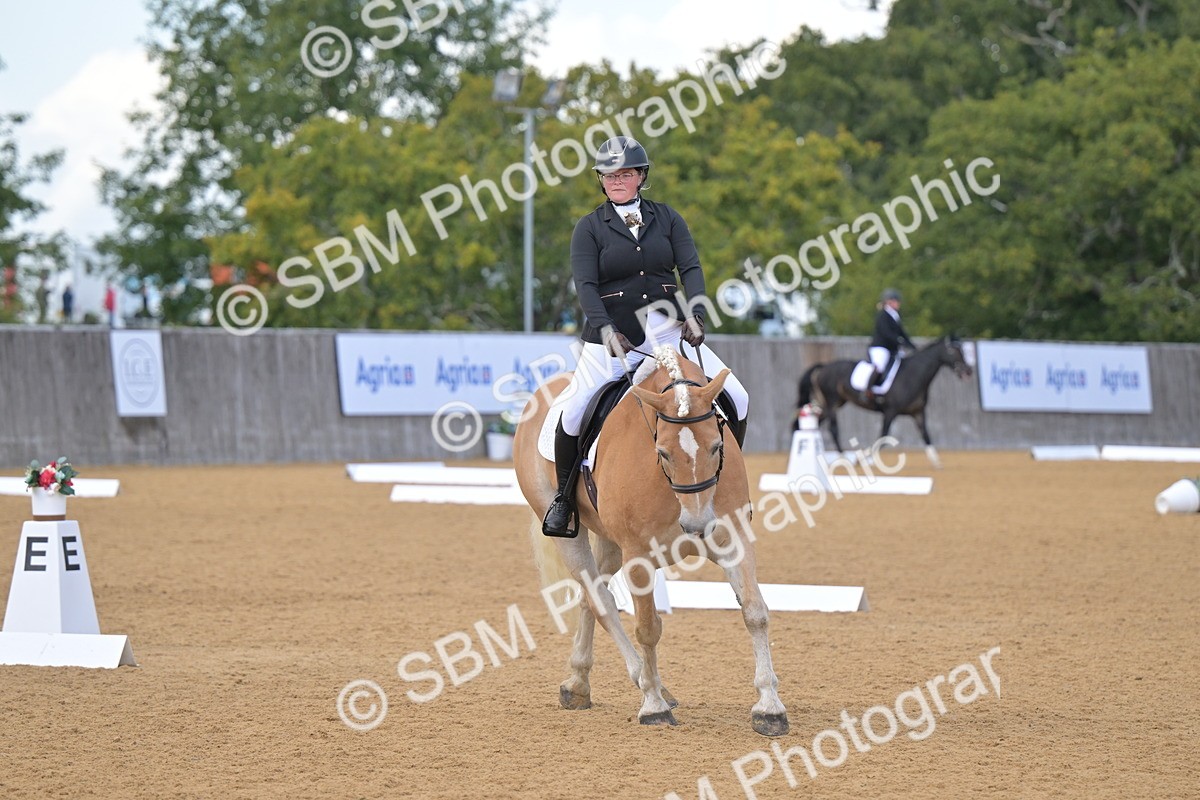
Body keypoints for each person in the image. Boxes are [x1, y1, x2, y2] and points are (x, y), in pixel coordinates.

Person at [542, 136, 750, 536]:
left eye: (625, 174)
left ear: (641, 177)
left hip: (670, 332)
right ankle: (564, 500)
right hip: (613, 334)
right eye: (609, 175)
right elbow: (584, 285)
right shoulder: (589, 228)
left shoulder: (668, 219)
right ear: (601, 181)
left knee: (737, 396)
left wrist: (698, 313)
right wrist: (605, 328)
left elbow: (690, 268)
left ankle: (725, 485)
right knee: (573, 411)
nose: (617, 181)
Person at [866, 288, 916, 398]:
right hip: (880, 348)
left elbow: (902, 333)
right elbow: (886, 333)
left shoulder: (895, 316)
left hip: (892, 349)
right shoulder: (883, 315)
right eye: (896, 301)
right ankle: (868, 390)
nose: (899, 303)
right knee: (880, 366)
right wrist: (899, 341)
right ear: (889, 302)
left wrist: (912, 346)